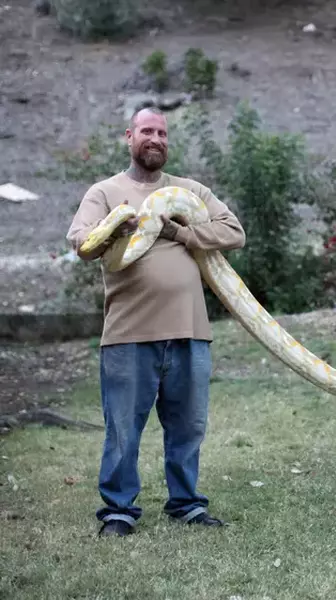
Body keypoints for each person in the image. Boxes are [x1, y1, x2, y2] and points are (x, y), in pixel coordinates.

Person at [65, 106, 246, 537]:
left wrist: (180, 233)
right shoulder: (106, 192)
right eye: (147, 131)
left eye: (163, 133)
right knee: (124, 429)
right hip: (129, 334)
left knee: (188, 427)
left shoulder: (189, 190)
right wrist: (118, 228)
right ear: (129, 136)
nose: (156, 139)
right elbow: (80, 240)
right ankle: (119, 512)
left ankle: (185, 504)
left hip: (190, 332)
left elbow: (233, 231)